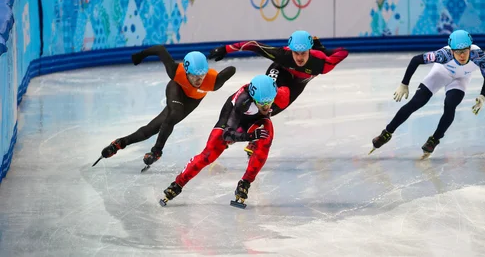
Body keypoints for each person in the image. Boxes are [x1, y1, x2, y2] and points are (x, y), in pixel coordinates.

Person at [93, 45, 236, 171]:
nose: (199, 80)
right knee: (174, 114)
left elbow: (232, 69)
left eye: (202, 76)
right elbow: (160, 49)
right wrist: (139, 55)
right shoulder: (175, 71)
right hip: (177, 89)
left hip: (192, 100)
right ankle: (157, 151)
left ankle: (120, 143)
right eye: (194, 76)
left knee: (151, 129)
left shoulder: (214, 81)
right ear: (186, 71)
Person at [207, 30, 349, 156]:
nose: (299, 58)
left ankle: (247, 133)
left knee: (271, 109)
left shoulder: (322, 63)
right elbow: (254, 46)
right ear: (291, 50)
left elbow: (343, 51)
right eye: (296, 53)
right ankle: (234, 130)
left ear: (310, 50)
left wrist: (326, 51)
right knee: (265, 99)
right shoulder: (283, 55)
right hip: (280, 71)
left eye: (304, 53)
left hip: (296, 84)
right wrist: (226, 49)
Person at [159, 74, 284, 208]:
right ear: (253, 97)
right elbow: (227, 135)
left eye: (269, 102)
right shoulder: (243, 101)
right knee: (208, 155)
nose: (266, 107)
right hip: (231, 122)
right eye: (261, 103)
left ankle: (245, 183)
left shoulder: (277, 94)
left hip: (254, 121)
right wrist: (249, 137)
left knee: (267, 134)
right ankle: (178, 184)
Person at [370, 30, 485, 159]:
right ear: (451, 51)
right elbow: (416, 60)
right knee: (416, 102)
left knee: (450, 105)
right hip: (441, 73)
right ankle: (387, 133)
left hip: (461, 79)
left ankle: (434, 139)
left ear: (470, 48)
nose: (461, 55)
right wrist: (404, 84)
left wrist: (483, 96)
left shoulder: (480, 56)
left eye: (464, 51)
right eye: (457, 52)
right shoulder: (443, 55)